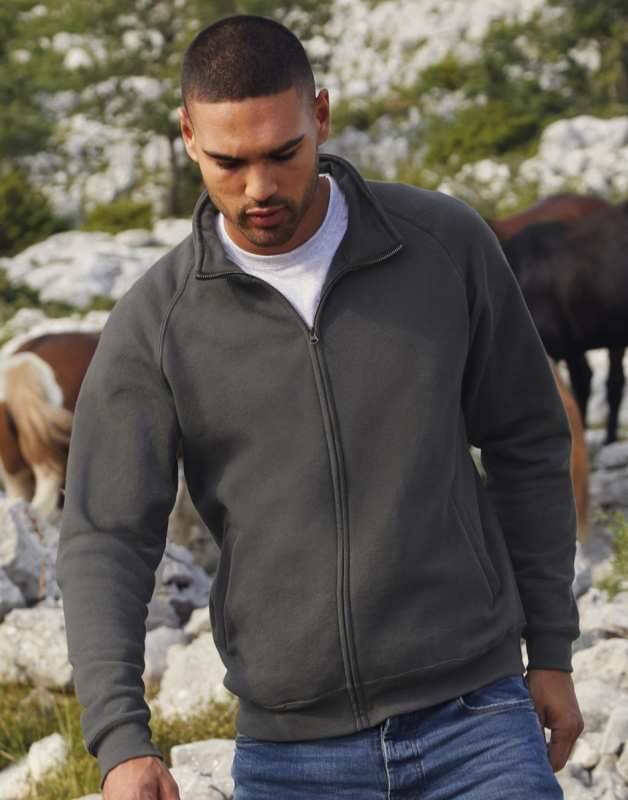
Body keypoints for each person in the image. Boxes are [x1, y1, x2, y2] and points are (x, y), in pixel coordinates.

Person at [56, 13, 585, 800]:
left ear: (322, 115)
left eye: (283, 152)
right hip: (291, 756)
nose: (259, 188)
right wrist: (120, 740)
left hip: (477, 720)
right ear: (188, 136)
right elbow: (106, 535)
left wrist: (551, 647)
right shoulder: (155, 323)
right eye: (230, 162)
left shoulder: (445, 245)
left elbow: (528, 441)